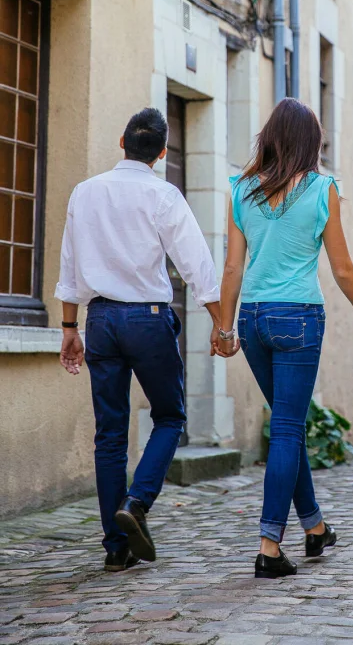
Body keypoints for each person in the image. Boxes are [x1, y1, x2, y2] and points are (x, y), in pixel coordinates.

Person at [215, 97, 353, 579]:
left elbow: (232, 267)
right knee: (288, 429)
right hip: (299, 319)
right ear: (311, 143)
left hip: (252, 318)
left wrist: (225, 328)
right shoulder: (322, 188)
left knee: (287, 426)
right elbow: (345, 269)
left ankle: (314, 528)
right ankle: (269, 547)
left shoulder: (241, 189)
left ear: (270, 136)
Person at [56, 107, 226, 573]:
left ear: (121, 142)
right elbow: (196, 264)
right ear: (163, 153)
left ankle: (116, 549)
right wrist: (220, 323)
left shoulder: (85, 192)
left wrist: (69, 329)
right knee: (170, 417)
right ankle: (139, 503)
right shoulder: (163, 194)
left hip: (101, 320)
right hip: (148, 320)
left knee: (109, 434)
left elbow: (70, 265)